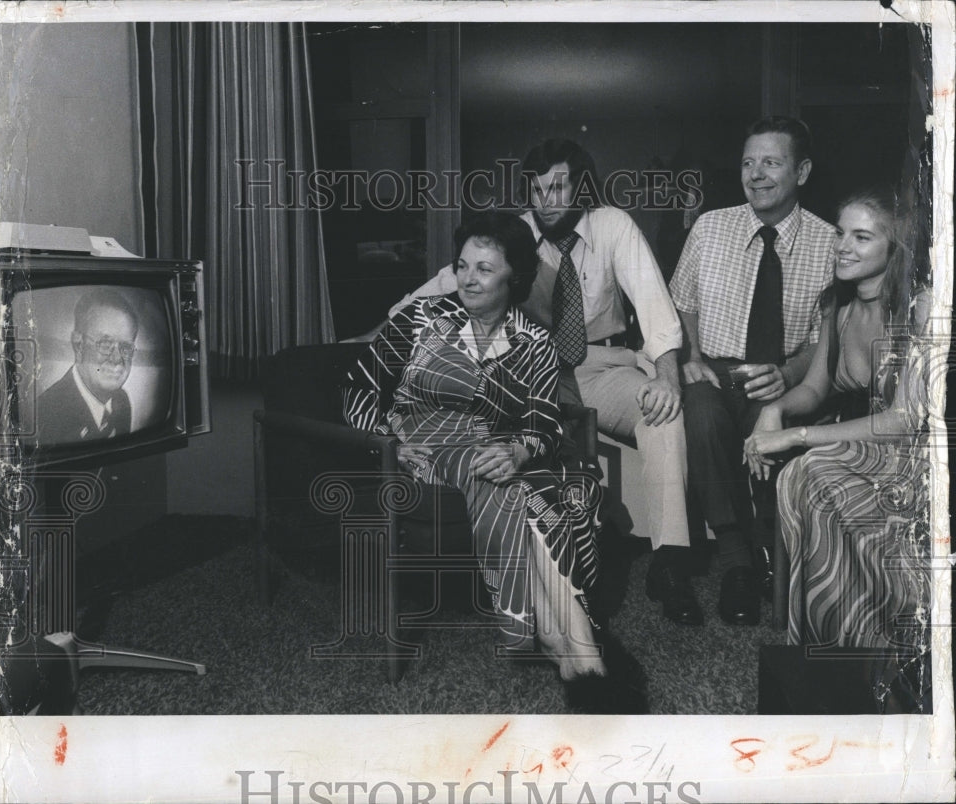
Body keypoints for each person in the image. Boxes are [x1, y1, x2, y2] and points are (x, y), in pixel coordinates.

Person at [382, 139, 703, 627]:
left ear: (583, 188)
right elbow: (453, 279)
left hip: (600, 365)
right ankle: (545, 570)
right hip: (533, 368)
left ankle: (671, 564)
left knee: (663, 414)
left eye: (557, 187)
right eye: (536, 189)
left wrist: (666, 376)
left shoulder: (613, 225)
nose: (545, 200)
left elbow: (653, 302)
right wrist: (387, 325)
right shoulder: (517, 233)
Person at [343, 211, 645, 713]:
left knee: (565, 485)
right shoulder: (419, 319)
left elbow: (544, 420)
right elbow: (359, 389)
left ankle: (567, 644)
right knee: (499, 476)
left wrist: (520, 450)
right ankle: (576, 648)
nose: (468, 278)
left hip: (495, 447)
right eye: (462, 266)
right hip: (424, 445)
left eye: (484, 269)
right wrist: (388, 443)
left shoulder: (534, 341)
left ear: (515, 277)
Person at [743, 186, 930, 649]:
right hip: (863, 449)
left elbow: (905, 420)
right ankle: (827, 638)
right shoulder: (838, 307)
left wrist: (796, 437)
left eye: (861, 237)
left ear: (895, 249)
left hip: (918, 460)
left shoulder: (920, 308)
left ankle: (870, 639)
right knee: (805, 473)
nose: (843, 246)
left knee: (813, 469)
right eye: (840, 233)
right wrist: (774, 410)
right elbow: (813, 389)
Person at [670, 116, 838, 625]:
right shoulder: (710, 228)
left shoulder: (829, 244)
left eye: (771, 162)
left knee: (777, 437)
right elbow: (682, 302)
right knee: (701, 414)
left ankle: (771, 551)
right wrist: (691, 358)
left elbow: (823, 338)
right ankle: (737, 561)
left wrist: (789, 373)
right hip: (716, 371)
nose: (756, 174)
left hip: (781, 376)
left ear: (801, 172)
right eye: (748, 163)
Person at [36, 289, 138, 444]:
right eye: (105, 343)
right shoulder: (43, 415)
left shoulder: (121, 401)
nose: (117, 359)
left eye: (125, 347)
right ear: (78, 345)